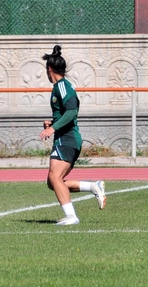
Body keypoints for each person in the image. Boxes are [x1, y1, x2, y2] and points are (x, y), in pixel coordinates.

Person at [39, 45, 106, 225]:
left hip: (66, 139)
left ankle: (71, 216)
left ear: (49, 69)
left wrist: (53, 129)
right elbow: (65, 114)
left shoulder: (62, 86)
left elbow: (71, 112)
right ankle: (93, 186)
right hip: (66, 138)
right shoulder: (60, 87)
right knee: (53, 182)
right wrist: (52, 124)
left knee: (55, 178)